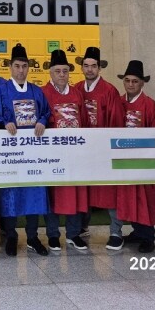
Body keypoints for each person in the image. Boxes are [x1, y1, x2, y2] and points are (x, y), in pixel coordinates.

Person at [0, 44, 51, 257]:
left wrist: (42, 121)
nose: (21, 70)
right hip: (10, 153)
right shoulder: (0, 91)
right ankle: (11, 235)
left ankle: (32, 236)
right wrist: (3, 122)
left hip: (33, 153)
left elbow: (46, 112)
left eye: (24, 66)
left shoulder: (36, 91)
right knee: (10, 193)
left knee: (34, 193)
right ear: (10, 67)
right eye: (17, 66)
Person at [74, 46, 126, 250]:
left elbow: (117, 121)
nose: (89, 69)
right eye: (86, 66)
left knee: (110, 190)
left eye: (93, 66)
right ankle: (82, 226)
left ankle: (116, 232)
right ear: (82, 67)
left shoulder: (109, 91)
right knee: (83, 189)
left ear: (99, 68)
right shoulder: (76, 89)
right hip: (82, 150)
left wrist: (109, 148)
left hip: (103, 150)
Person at [115, 60, 155, 253]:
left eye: (135, 81)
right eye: (127, 80)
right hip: (122, 158)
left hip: (144, 160)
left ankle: (148, 237)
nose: (130, 84)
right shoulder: (117, 102)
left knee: (144, 197)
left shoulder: (150, 105)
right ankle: (137, 231)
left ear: (142, 83)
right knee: (128, 196)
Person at [42, 49, 89, 251]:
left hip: (74, 152)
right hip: (52, 153)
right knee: (53, 193)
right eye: (57, 71)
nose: (62, 75)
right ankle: (53, 235)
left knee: (74, 192)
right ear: (50, 72)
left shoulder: (76, 93)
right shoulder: (43, 93)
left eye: (65, 71)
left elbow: (84, 121)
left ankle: (73, 234)